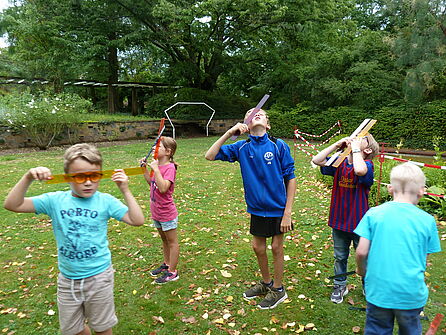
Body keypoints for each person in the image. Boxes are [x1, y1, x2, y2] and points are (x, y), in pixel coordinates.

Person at [3, 143, 144, 335]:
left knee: (102, 328)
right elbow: (13, 204)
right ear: (67, 177)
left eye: (94, 176)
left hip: (99, 278)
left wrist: (125, 190)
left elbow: (137, 220)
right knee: (72, 330)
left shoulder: (106, 201)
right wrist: (28, 177)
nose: (87, 183)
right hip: (68, 280)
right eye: (79, 177)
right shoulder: (54, 201)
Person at [205, 108, 296, 309]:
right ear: (245, 123)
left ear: (268, 124)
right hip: (256, 209)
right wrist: (229, 133)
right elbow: (209, 156)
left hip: (278, 209)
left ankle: (278, 289)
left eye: (260, 113)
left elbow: (291, 178)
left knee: (277, 247)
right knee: (258, 247)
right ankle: (266, 283)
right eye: (251, 113)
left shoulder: (279, 146)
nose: (256, 113)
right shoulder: (241, 147)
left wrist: (287, 212)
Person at [355, 163, 441, 335]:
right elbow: (423, 259)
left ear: (390, 188)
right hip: (410, 294)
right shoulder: (427, 221)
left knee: (377, 330)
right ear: (422, 191)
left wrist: (361, 269)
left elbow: (361, 251)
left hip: (379, 292)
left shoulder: (373, 214)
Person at [312, 134, 379, 303]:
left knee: (364, 257)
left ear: (367, 149)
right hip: (339, 221)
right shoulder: (339, 163)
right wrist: (336, 145)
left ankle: (367, 284)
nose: (355, 138)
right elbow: (317, 160)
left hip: (360, 224)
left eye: (361, 139)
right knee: (340, 256)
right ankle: (340, 285)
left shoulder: (367, 165)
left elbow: (359, 170)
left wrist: (355, 148)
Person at [140, 136, 180, 284]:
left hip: (166, 212)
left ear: (168, 151)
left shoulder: (169, 168)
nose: (154, 149)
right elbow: (152, 183)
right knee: (164, 239)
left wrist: (155, 169)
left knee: (172, 242)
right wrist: (145, 169)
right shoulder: (159, 167)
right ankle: (167, 263)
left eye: (158, 147)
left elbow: (163, 188)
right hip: (156, 211)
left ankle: (173, 272)